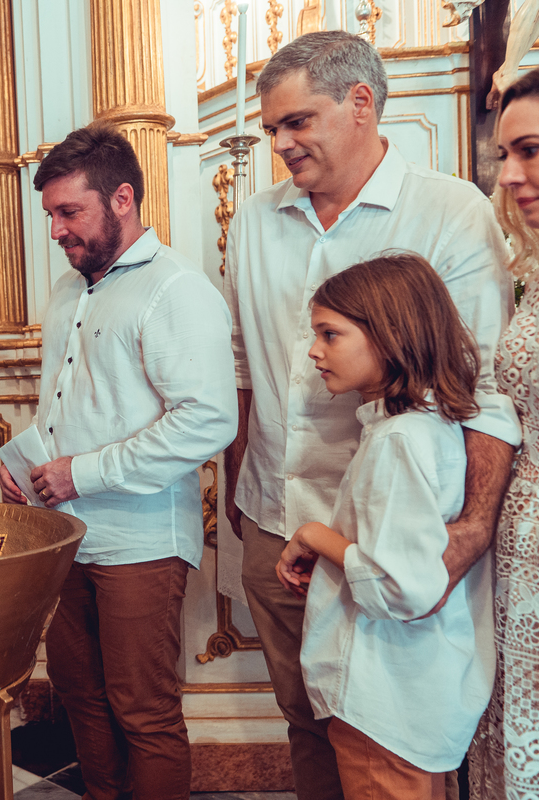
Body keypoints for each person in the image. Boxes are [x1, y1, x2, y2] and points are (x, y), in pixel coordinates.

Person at [223, 30, 520, 800]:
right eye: (272, 127)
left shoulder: (449, 210)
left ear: (361, 103)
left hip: (399, 532)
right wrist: (238, 487)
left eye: (297, 122)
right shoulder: (253, 221)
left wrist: (472, 530)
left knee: (396, 735)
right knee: (307, 717)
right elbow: (245, 366)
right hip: (275, 517)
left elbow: (486, 387)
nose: (280, 144)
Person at [0, 123, 239, 800]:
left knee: (143, 709)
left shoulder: (175, 288)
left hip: (142, 540)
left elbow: (209, 419)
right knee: (79, 692)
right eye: (50, 214)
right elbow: (67, 406)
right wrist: (24, 465)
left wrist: (81, 473)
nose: (56, 230)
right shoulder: (67, 291)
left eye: (69, 212)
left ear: (123, 199)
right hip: (68, 533)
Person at [275, 255, 494, 800]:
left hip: (386, 703)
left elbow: (402, 588)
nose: (314, 350)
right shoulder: (431, 425)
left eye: (330, 334)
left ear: (390, 336)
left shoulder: (399, 440)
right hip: (417, 700)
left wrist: (313, 534)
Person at [466, 68, 539, 800]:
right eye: (505, 155)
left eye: (532, 150)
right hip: (518, 546)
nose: (511, 176)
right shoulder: (532, 272)